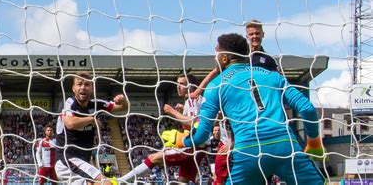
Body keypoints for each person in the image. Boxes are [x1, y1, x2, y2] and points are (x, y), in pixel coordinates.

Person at [161, 33, 325, 184]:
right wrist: (314, 142)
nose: (214, 58)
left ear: (224, 58)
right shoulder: (273, 76)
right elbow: (307, 108)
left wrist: (182, 140)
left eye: (216, 54)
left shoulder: (216, 85)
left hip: (248, 152)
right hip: (285, 147)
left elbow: (202, 134)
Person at [119, 73, 206, 183]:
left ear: (191, 86)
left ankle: (119, 182)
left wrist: (172, 112)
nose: (178, 86)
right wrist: (183, 110)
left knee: (153, 158)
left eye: (182, 84)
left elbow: (195, 124)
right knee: (182, 181)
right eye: (177, 83)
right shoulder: (191, 101)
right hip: (199, 146)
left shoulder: (192, 99)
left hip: (193, 145)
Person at [55, 71, 128, 184]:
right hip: (67, 160)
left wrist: (123, 100)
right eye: (79, 84)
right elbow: (70, 123)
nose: (83, 87)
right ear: (73, 88)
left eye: (87, 84)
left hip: (82, 161)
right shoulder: (69, 103)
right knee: (107, 183)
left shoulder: (96, 104)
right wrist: (92, 119)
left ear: (92, 88)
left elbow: (123, 108)